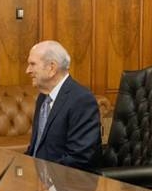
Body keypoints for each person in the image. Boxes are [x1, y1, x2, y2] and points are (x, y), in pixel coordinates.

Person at [25, 40, 101, 171]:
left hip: (67, 184)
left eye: (33, 64)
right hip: (39, 181)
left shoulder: (81, 100)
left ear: (52, 68)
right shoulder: (43, 96)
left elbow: (80, 158)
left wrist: (43, 178)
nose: (28, 71)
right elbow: (36, 148)